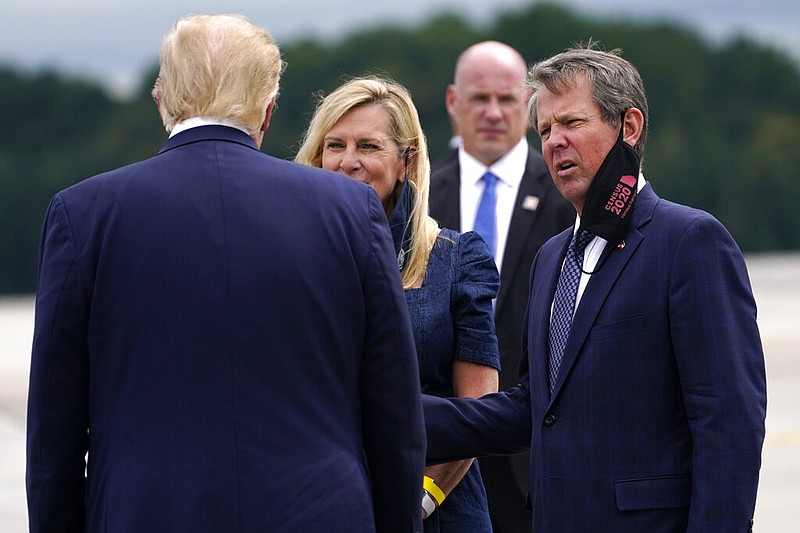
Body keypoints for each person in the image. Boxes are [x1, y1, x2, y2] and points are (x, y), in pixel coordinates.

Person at [26, 14, 426, 533]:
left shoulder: (83, 215)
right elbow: (393, 412)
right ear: (268, 108)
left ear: (162, 101)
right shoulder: (350, 211)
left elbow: (54, 429)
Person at [422, 43, 767, 532]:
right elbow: (532, 408)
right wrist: (395, 413)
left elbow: (729, 426)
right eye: (545, 129)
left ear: (629, 127)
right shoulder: (552, 257)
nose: (554, 141)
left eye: (572, 123)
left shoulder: (690, 241)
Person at [296, 76, 499, 532]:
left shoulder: (457, 258)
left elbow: (479, 409)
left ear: (406, 160)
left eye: (368, 146)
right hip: (320, 507)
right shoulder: (289, 259)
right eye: (335, 145)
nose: (348, 162)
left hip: (437, 510)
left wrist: (421, 500)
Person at [429, 40, 573, 532]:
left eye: (507, 100)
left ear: (529, 105)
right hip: (440, 457)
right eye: (478, 98)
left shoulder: (566, 198)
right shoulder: (419, 202)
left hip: (537, 457)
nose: (493, 113)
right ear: (453, 102)